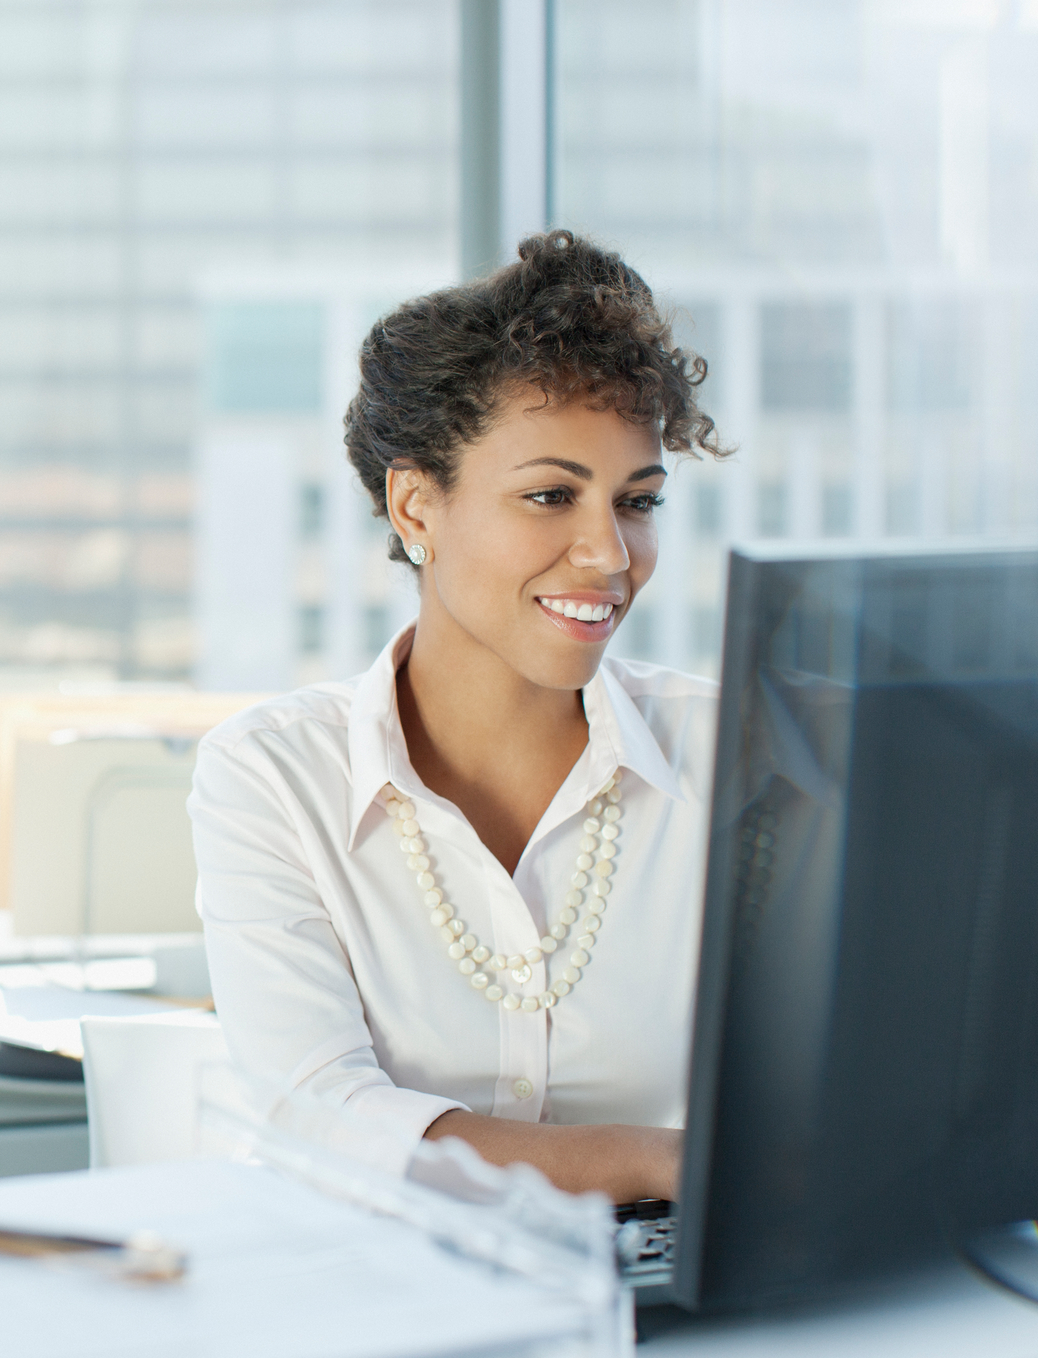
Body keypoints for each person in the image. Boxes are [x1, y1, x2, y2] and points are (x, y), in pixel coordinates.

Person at [190, 230, 728, 1204]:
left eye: (635, 500)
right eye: (548, 495)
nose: (607, 552)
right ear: (414, 507)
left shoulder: (735, 755)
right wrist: (673, 1160)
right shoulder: (272, 776)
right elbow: (319, 1114)